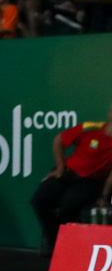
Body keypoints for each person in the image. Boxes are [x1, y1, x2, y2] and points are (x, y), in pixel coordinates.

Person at [31, 106, 112, 253]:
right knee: (39, 200)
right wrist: (59, 168)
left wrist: (104, 196)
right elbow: (59, 140)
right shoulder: (90, 128)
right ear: (110, 113)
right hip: (67, 173)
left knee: (70, 204)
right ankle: (56, 241)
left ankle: (57, 246)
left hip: (91, 182)